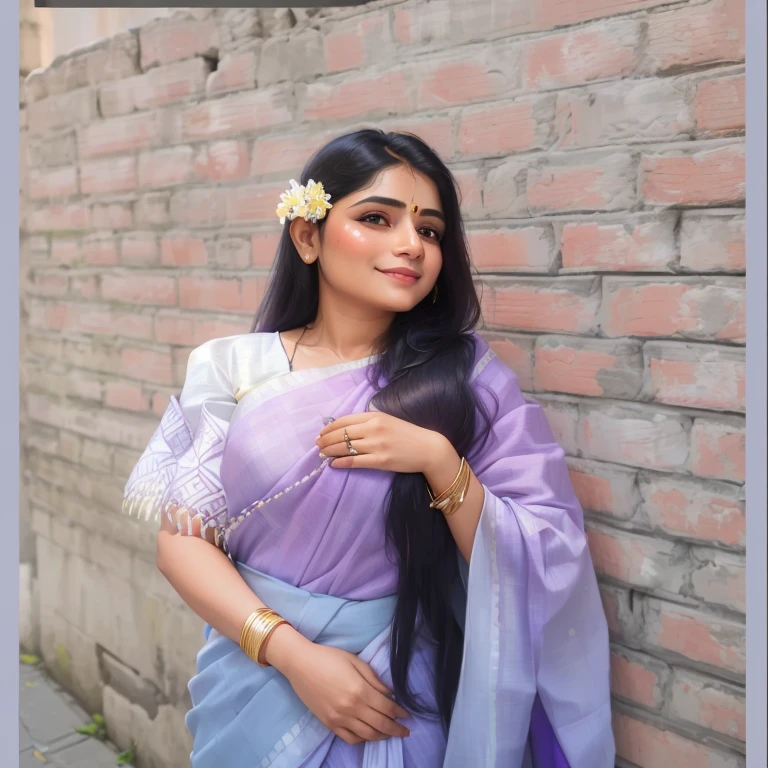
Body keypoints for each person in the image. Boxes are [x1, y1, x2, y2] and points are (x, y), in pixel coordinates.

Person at [122, 128, 615, 768]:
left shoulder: (467, 379)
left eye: (430, 230)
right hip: (254, 682)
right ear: (307, 235)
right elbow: (182, 539)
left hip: (396, 697)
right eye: (376, 218)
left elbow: (545, 551)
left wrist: (439, 461)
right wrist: (294, 656)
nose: (410, 244)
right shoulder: (230, 368)